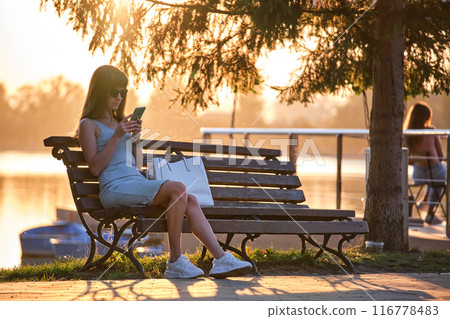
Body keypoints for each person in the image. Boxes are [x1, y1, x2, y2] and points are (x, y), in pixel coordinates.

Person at [77, 65, 252, 278]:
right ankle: (175, 260)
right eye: (114, 91)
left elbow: (136, 164)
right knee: (178, 189)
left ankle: (221, 259)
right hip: (114, 188)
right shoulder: (88, 124)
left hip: (133, 181)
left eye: (123, 92)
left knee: (191, 200)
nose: (119, 97)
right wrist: (116, 137)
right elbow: (95, 168)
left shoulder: (121, 123)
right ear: (100, 90)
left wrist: (134, 140)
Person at [403, 101, 446, 225]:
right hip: (435, 172)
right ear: (426, 117)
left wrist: (418, 160)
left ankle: (425, 201)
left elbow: (407, 159)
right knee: (440, 179)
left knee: (433, 178)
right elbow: (441, 156)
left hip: (418, 175)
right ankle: (430, 213)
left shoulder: (407, 134)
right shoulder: (431, 131)